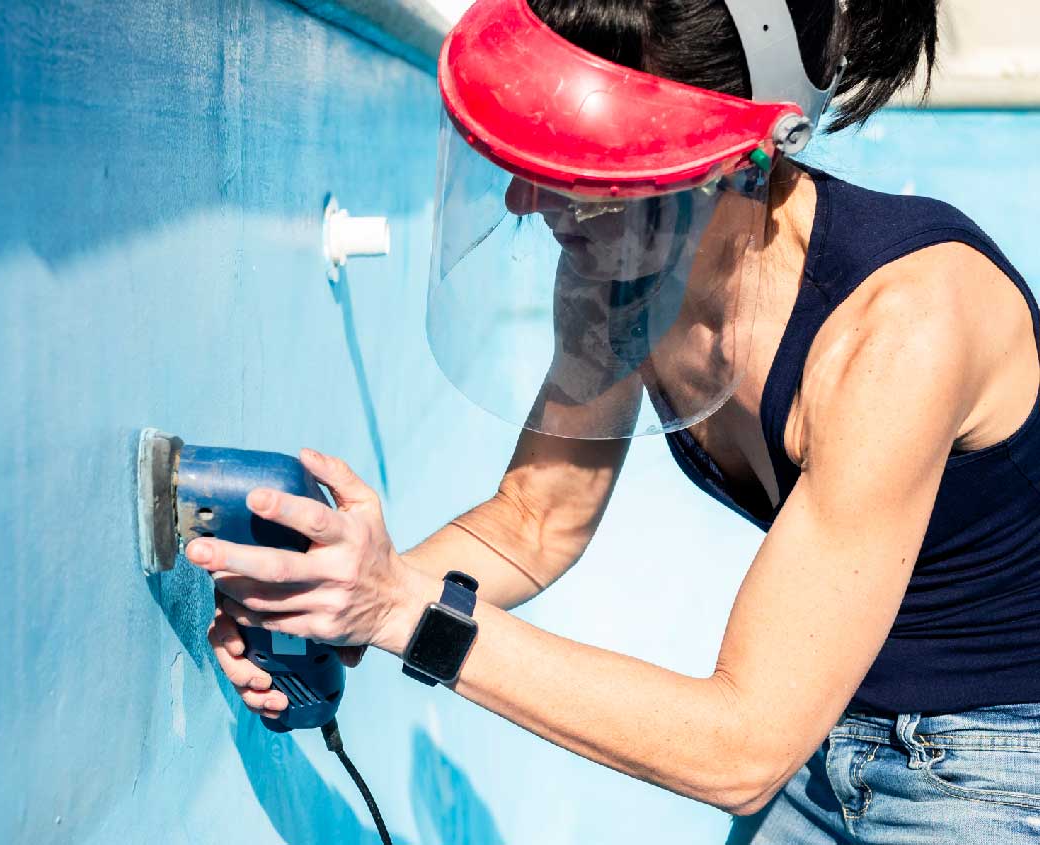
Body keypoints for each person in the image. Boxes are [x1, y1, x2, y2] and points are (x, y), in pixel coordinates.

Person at [189, 0, 1040, 841]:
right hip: (824, 729)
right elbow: (535, 519)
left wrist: (401, 613)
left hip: (991, 766)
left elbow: (744, 749)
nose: (525, 199)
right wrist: (346, 594)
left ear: (730, 159)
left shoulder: (904, 325)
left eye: (582, 167)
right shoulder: (626, 263)